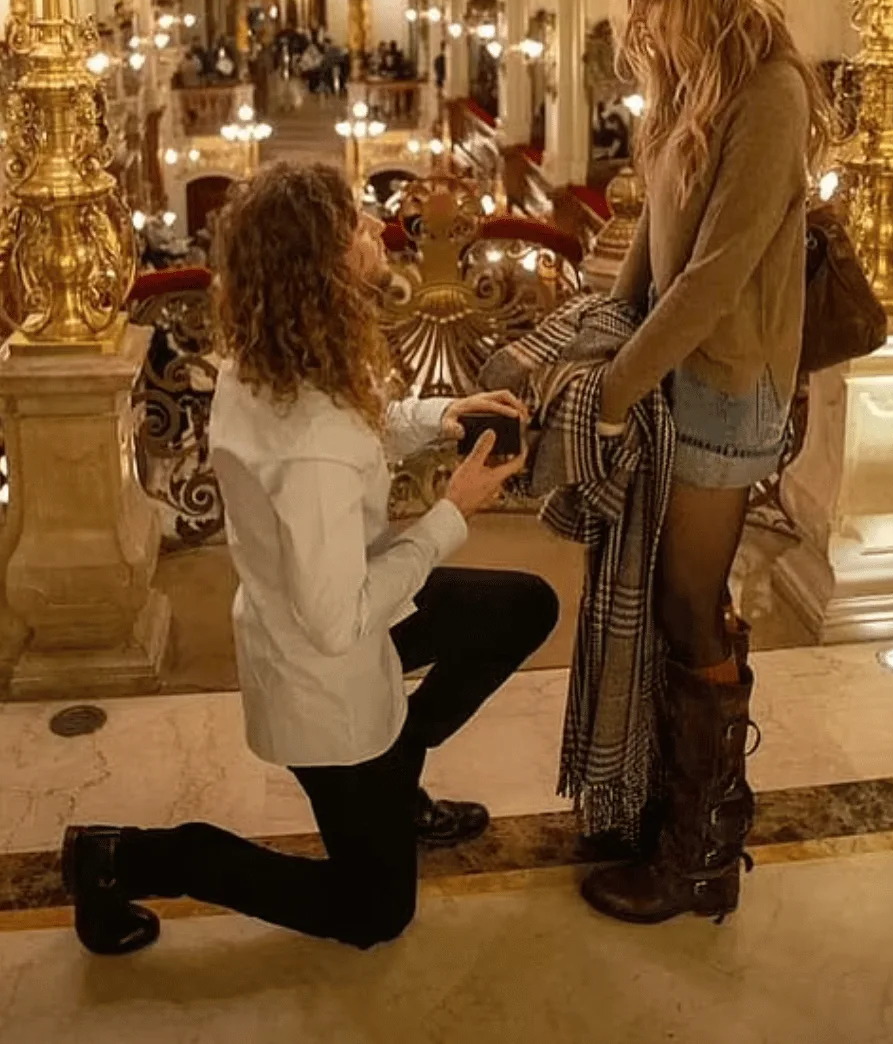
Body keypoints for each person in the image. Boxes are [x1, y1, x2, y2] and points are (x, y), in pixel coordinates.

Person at [62, 160, 558, 956]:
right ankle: (128, 858)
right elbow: (338, 622)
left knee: (521, 607)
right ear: (321, 266)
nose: (376, 231)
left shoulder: (274, 357)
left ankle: (398, 771)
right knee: (373, 914)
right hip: (325, 668)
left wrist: (441, 415)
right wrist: (450, 513)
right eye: (356, 226)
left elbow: (360, 425)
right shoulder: (311, 446)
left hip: (339, 607)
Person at [579, 0, 828, 925]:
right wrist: (607, 323)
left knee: (687, 605)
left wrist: (616, 386)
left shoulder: (768, 90)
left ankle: (696, 855)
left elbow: (718, 271)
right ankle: (679, 811)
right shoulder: (688, 77)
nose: (633, 19)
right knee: (680, 599)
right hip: (682, 369)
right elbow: (658, 230)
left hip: (728, 384)